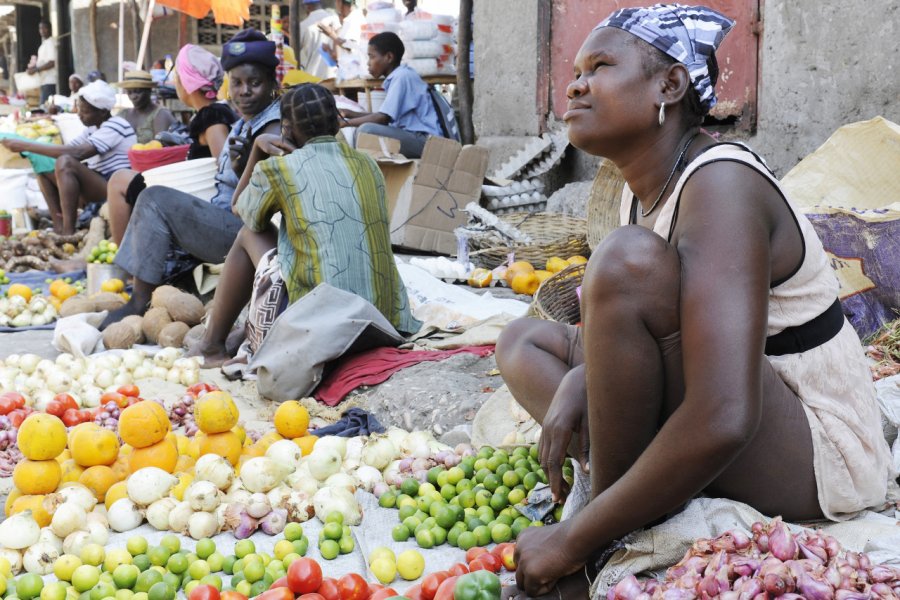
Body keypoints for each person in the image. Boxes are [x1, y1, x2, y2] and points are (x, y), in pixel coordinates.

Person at [495, 4, 894, 597]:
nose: (576, 83)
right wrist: (588, 378)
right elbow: (637, 335)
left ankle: (604, 534)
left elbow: (725, 413)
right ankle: (636, 491)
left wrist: (572, 538)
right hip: (730, 403)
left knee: (626, 263)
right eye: (576, 70)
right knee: (522, 340)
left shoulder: (722, 183)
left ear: (670, 85)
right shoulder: (642, 194)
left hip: (816, 450)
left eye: (601, 65)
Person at [189, 83, 418, 367]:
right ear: (337, 122)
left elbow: (240, 209)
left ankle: (211, 346)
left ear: (286, 129)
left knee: (250, 232)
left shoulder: (280, 168)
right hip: (383, 320)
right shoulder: (368, 164)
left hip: (322, 321)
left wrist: (257, 153)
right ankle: (235, 335)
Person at [101, 28, 282, 328]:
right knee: (159, 206)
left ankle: (138, 300)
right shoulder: (247, 122)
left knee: (154, 198)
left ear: (271, 84)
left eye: (255, 83)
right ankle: (148, 290)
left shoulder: (271, 127)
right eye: (236, 83)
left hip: (248, 234)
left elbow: (267, 201)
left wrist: (243, 168)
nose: (244, 91)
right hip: (231, 222)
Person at [106, 46, 237, 243]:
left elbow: (224, 168)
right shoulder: (214, 112)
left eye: (176, 77)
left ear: (185, 82)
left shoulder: (212, 117)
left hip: (201, 202)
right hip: (195, 194)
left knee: (119, 180)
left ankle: (122, 265)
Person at [0, 80, 135, 234]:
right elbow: (67, 148)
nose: (79, 114)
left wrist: (25, 146)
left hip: (114, 186)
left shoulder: (116, 125)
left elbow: (77, 153)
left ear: (102, 112)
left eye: (85, 111)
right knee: (42, 165)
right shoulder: (92, 128)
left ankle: (68, 231)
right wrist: (33, 149)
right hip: (98, 182)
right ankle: (58, 225)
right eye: (79, 109)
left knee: (66, 162)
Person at [341, 32, 442, 158]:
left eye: (372, 57)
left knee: (366, 131)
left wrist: (345, 123)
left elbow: (382, 119)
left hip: (427, 142)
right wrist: (349, 114)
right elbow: (383, 115)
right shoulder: (400, 76)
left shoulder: (402, 77)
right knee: (364, 129)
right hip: (416, 138)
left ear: (389, 57)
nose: (368, 63)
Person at [114, 70, 176, 145]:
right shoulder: (123, 114)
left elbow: (160, 147)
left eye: (138, 92)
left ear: (149, 91)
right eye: (129, 92)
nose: (133, 96)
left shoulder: (161, 115)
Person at [298, 0, 341, 80]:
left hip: (312, 75)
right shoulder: (335, 19)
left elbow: (297, 49)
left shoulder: (303, 25)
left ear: (308, 6)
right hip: (333, 74)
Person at [30, 21, 57, 104]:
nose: (42, 30)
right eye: (40, 28)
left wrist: (36, 70)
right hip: (44, 80)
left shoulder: (50, 43)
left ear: (49, 29)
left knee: (44, 106)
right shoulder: (44, 43)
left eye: (44, 28)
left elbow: (52, 63)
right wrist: (34, 68)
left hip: (50, 80)